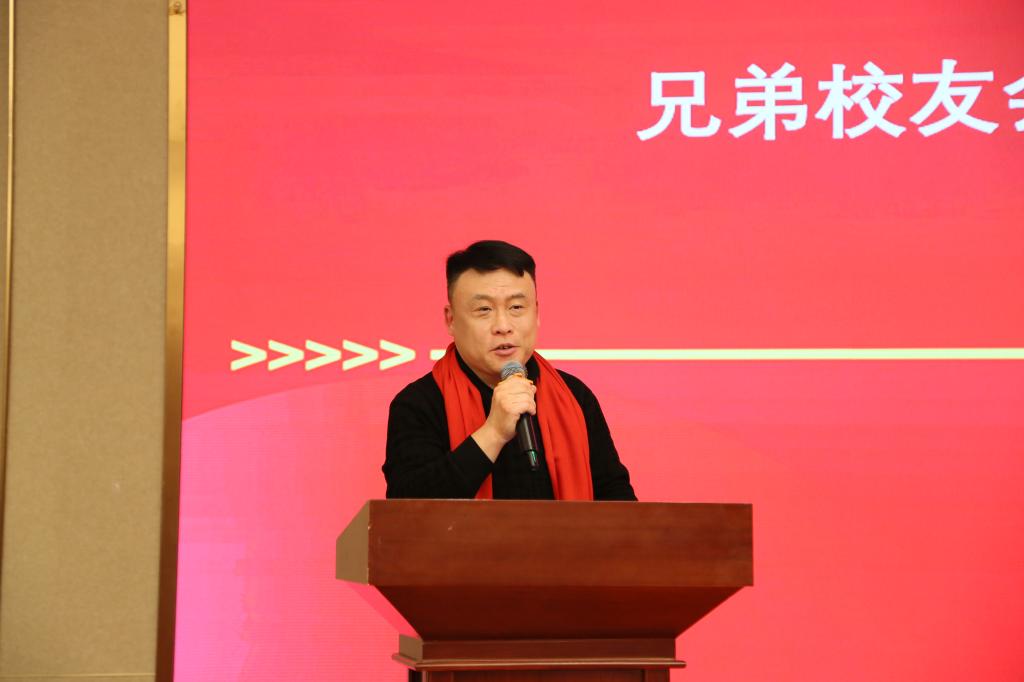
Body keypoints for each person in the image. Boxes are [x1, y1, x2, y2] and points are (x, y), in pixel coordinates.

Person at [383, 240, 636, 500]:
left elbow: (619, 503)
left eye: (516, 307)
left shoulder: (574, 397)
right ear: (451, 319)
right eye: (484, 309)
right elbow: (407, 508)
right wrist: (493, 433)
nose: (503, 326)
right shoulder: (418, 403)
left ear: (536, 313)